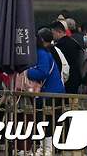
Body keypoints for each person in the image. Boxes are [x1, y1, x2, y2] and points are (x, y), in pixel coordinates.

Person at [25, 28, 65, 156]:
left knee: (47, 120)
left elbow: (42, 72)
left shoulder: (41, 53)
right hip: (44, 92)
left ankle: (48, 148)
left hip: (50, 92)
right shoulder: (39, 53)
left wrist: (26, 72)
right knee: (41, 120)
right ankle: (43, 147)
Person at [50, 21, 82, 93]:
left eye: (53, 33)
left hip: (67, 78)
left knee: (66, 102)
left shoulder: (60, 46)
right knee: (73, 102)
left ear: (59, 32)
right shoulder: (73, 42)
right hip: (75, 77)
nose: (52, 36)